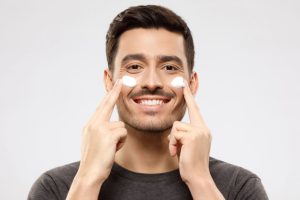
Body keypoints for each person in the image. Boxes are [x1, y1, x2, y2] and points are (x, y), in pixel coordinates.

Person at [28, 5, 269, 200]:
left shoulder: (240, 188)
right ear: (109, 81)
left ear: (192, 84)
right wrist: (88, 180)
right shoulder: (55, 189)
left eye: (169, 67)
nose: (152, 81)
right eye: (134, 67)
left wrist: (200, 181)